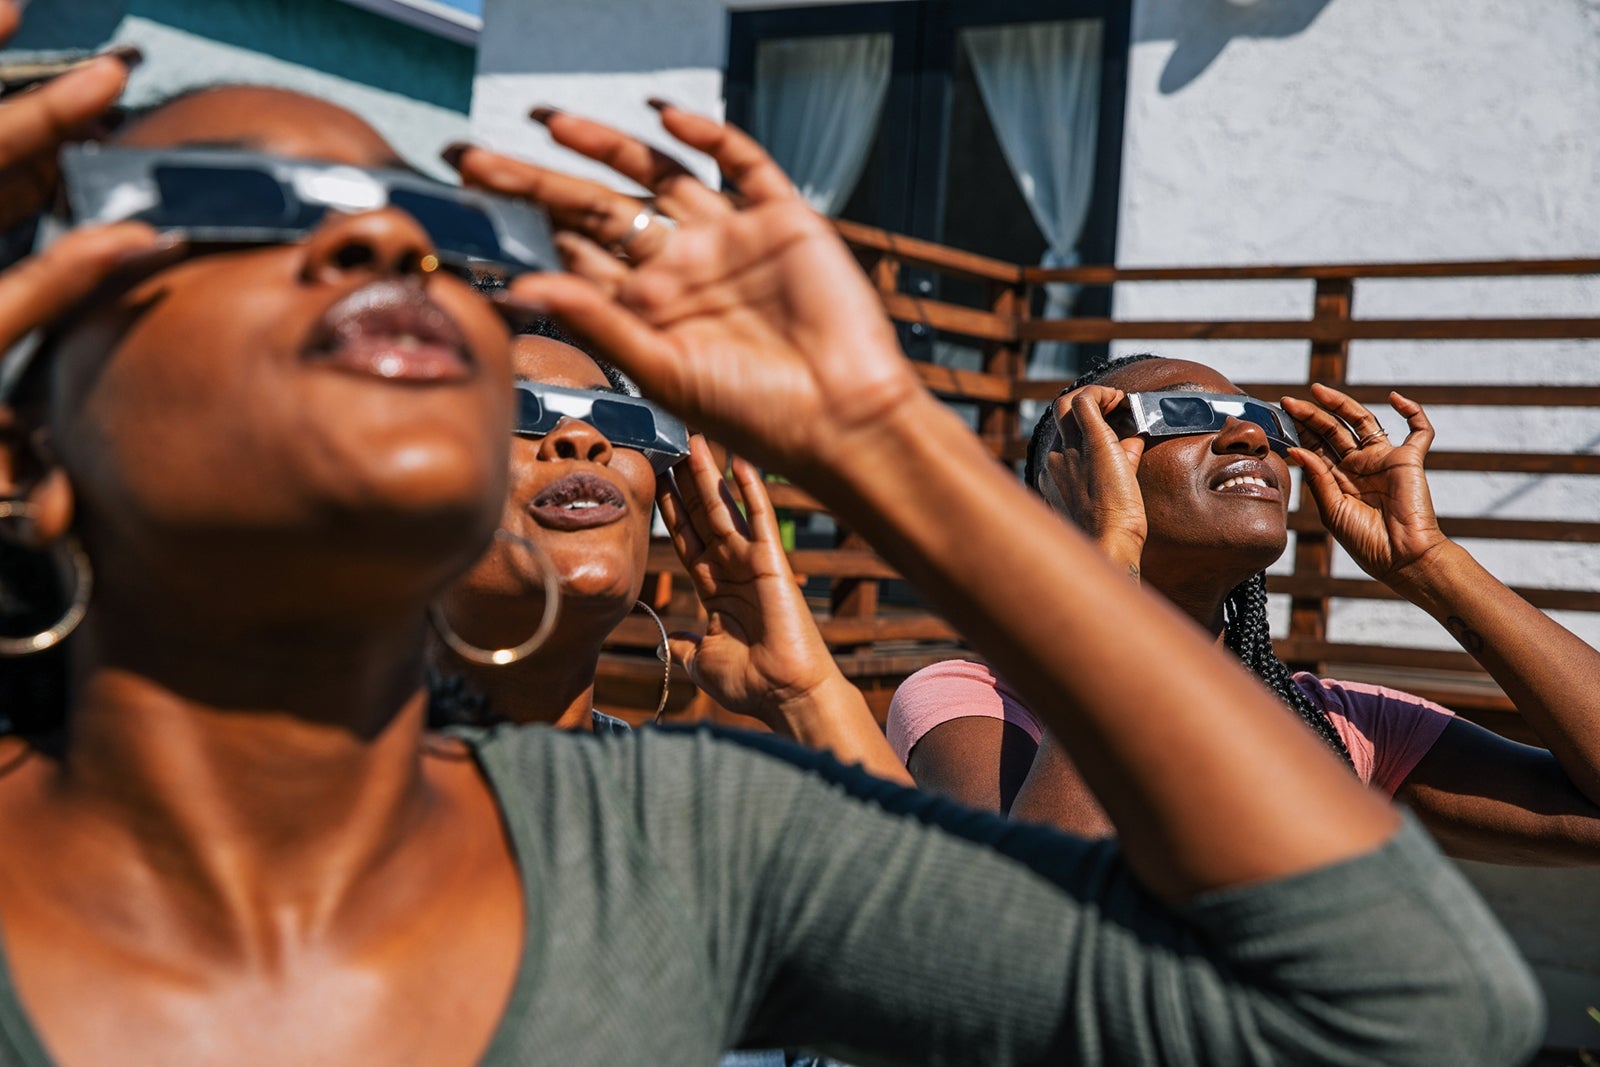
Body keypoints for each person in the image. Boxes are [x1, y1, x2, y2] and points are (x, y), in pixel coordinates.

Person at [0, 54, 1538, 1067]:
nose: (374, 253)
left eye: (419, 231)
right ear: (32, 459)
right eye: (224, 215)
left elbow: (1411, 1007)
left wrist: (883, 434)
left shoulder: (681, 844)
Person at [889, 352, 1600, 864]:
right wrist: (1107, 562)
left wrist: (1429, 563)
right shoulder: (978, 703)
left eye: (1258, 418)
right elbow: (1031, 933)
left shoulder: (1336, 729)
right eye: (1181, 413)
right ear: (1071, 487)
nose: (1252, 436)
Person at [428, 317, 912, 786]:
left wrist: (805, 694)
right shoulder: (359, 794)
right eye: (516, 408)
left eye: (615, 419)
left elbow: (946, 869)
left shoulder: (698, 810)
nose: (584, 438)